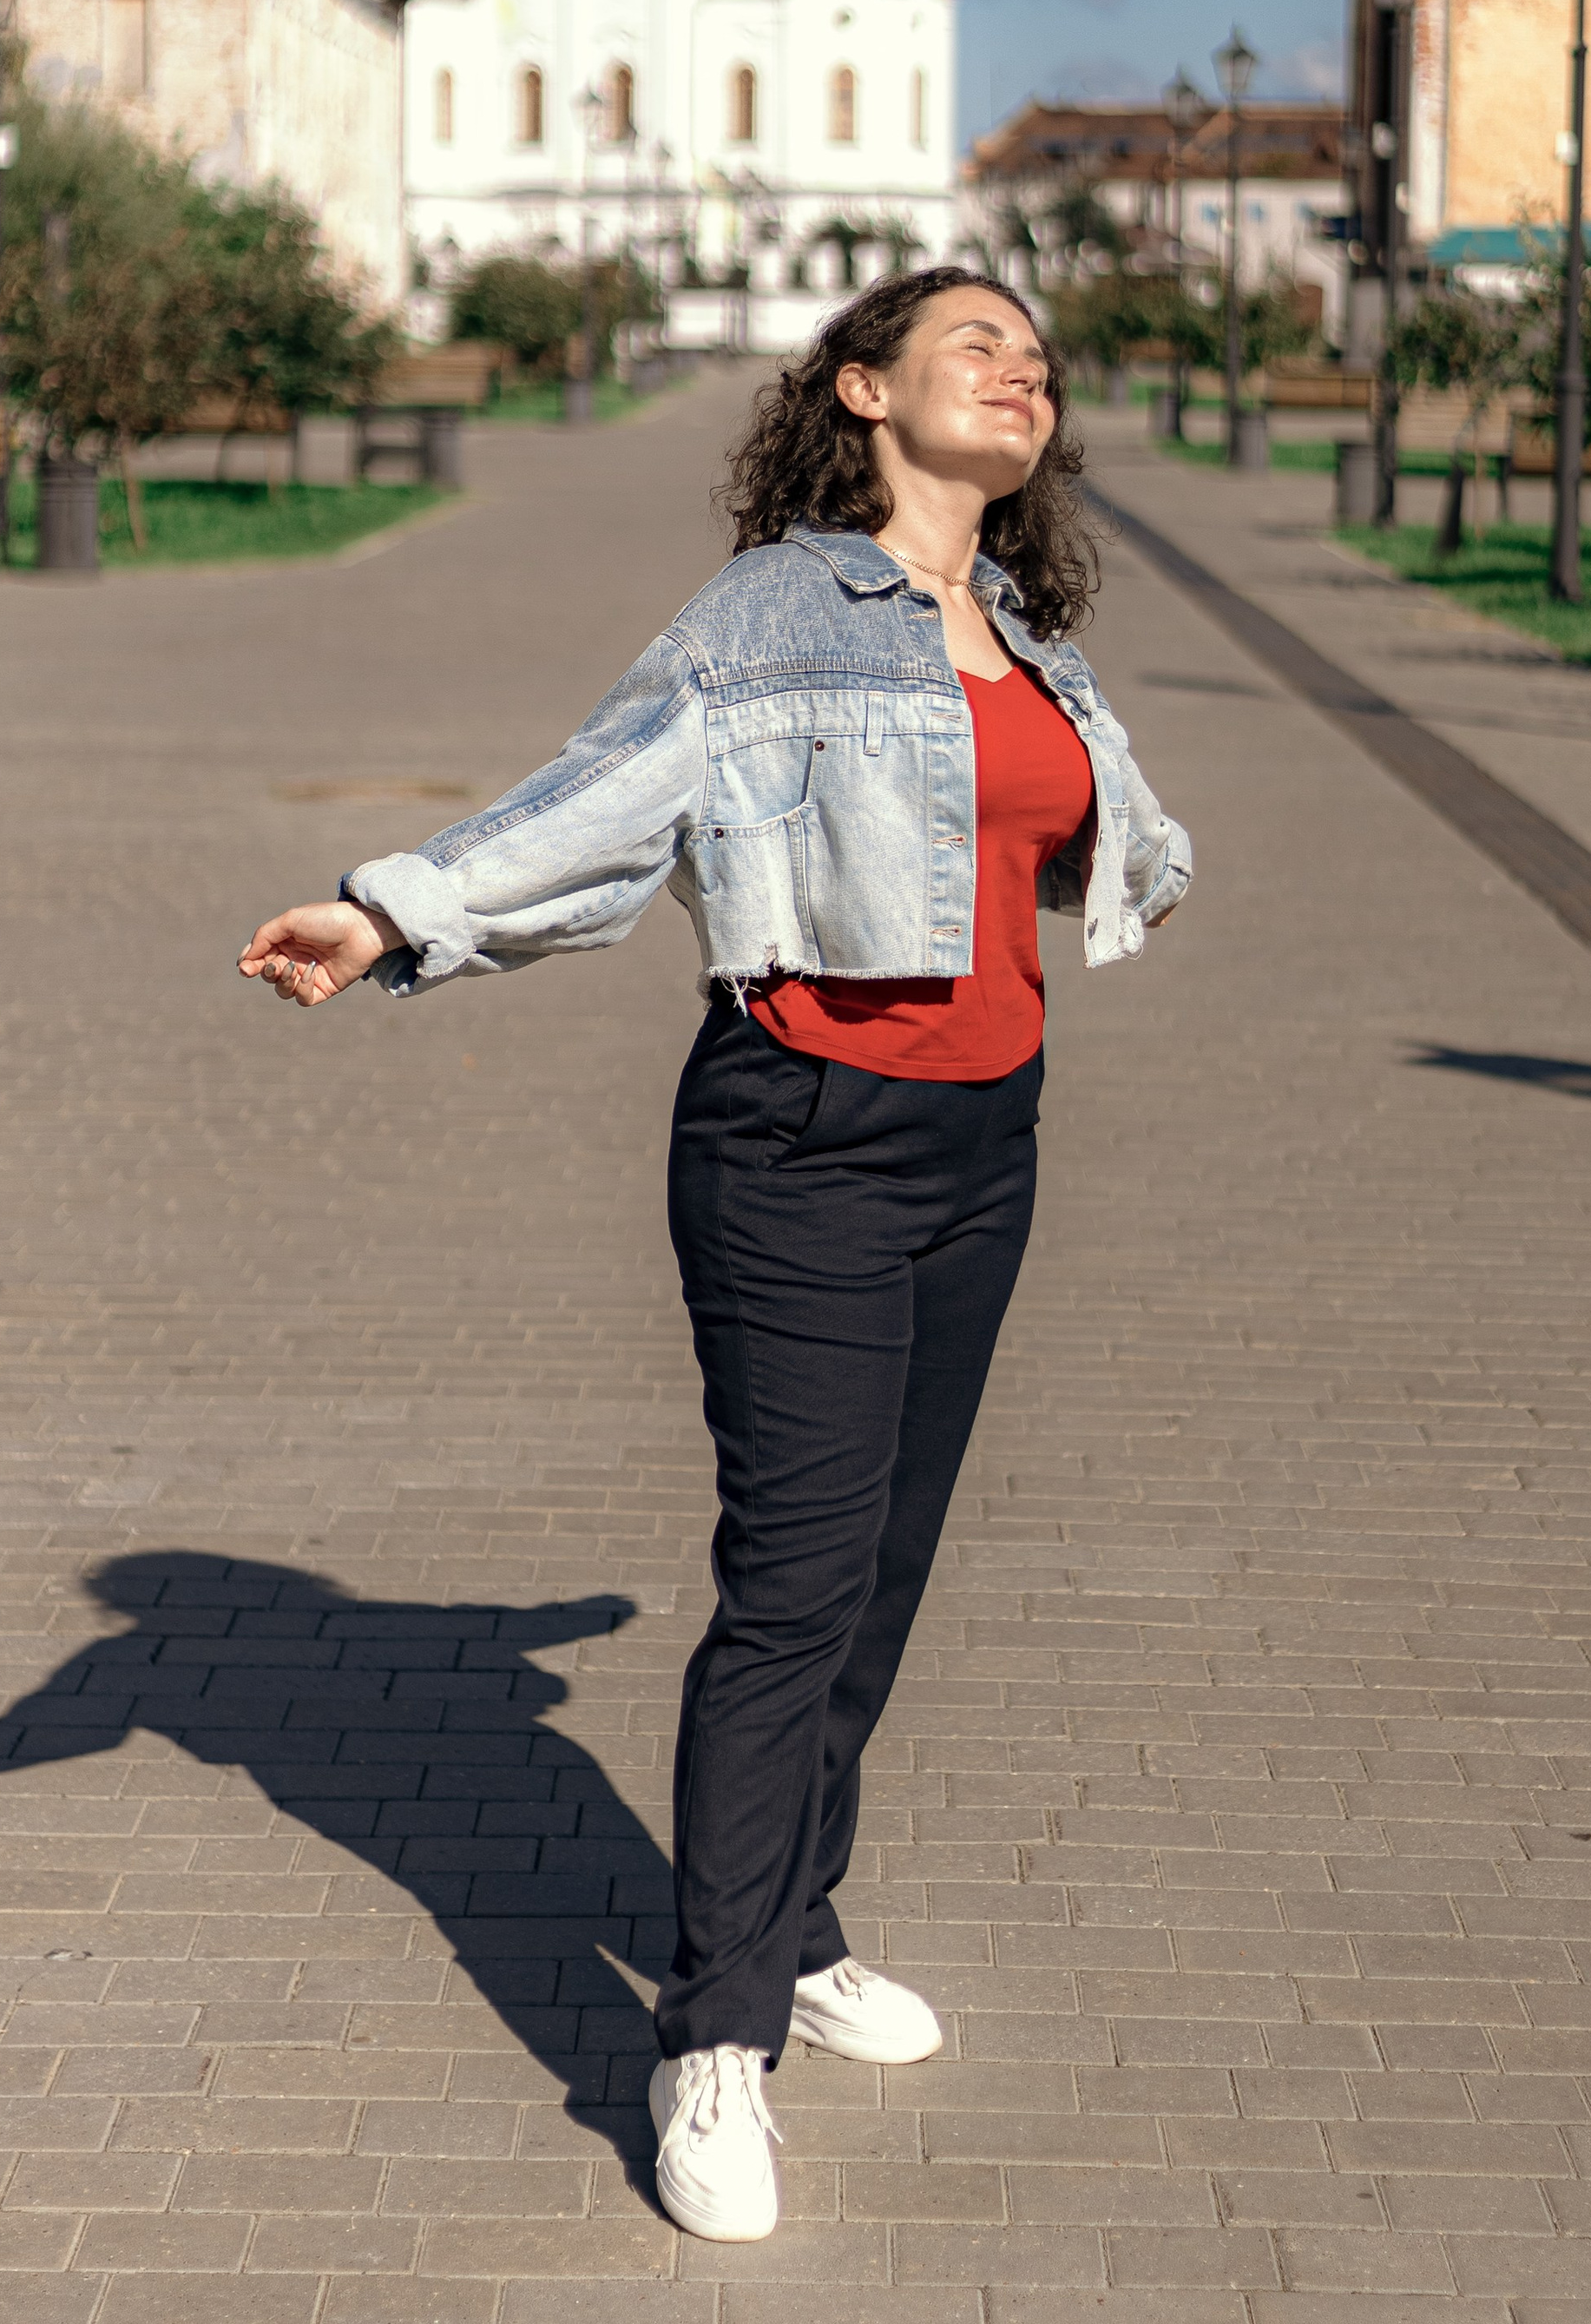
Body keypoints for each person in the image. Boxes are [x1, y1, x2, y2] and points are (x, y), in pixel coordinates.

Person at [240, 270, 1191, 2243]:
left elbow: (1078, 836)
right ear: (862, 389)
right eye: (973, 347)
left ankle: (795, 1916)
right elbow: (605, 799)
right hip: (802, 1152)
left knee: (882, 1580)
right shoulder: (775, 611)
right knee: (793, 1587)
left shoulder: (1017, 621)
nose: (1022, 371)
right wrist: (395, 911)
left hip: (984, 1144)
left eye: (1037, 358)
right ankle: (710, 2038)